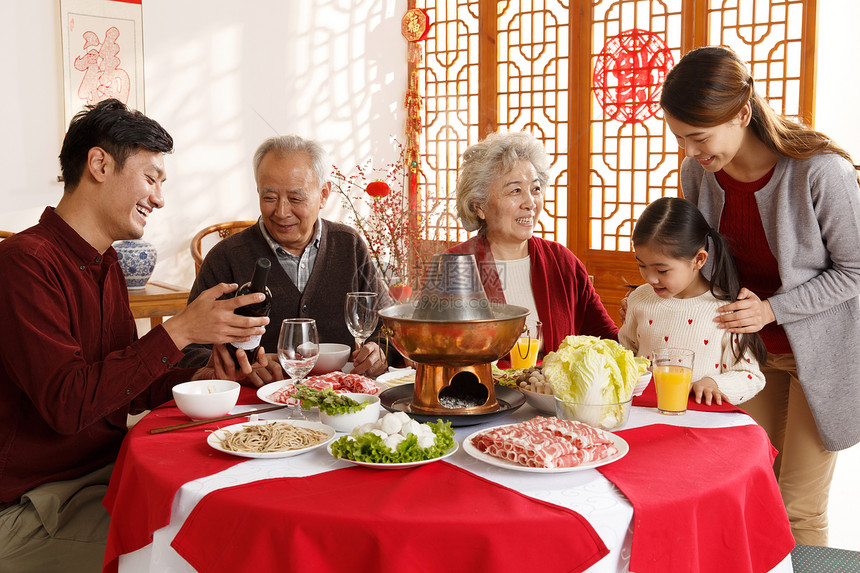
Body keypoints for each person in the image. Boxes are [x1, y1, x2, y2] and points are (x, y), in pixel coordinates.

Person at [0, 99, 270, 571]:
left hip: (104, 475)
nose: (160, 199)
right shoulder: (25, 264)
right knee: (210, 552)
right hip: (35, 505)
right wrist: (180, 330)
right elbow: (70, 404)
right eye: (151, 178)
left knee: (243, 507)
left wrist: (205, 373)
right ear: (99, 164)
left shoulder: (105, 264)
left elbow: (126, 385)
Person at [659, 45, 860, 545]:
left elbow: (855, 270)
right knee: (750, 487)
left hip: (824, 355)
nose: (692, 153)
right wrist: (658, 290)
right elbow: (701, 261)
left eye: (699, 138)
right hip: (749, 354)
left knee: (798, 507)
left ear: (743, 113)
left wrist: (773, 308)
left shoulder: (819, 171)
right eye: (682, 139)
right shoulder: (698, 175)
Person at [180, 135, 392, 379]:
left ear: (323, 194)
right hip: (256, 407)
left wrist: (378, 352)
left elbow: (387, 328)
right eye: (269, 198)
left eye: (295, 198)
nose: (281, 212)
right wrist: (236, 368)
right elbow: (189, 350)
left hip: (341, 400)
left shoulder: (348, 244)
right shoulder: (226, 257)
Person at [449, 131, 618, 353]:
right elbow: (431, 350)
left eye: (535, 189)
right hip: (480, 388)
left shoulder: (562, 261)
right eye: (515, 191)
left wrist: (639, 320)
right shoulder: (453, 267)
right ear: (479, 206)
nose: (530, 202)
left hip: (550, 389)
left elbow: (608, 340)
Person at [618, 197, 766, 405]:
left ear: (698, 259)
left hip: (702, 422)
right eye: (642, 265)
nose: (650, 278)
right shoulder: (639, 299)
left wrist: (714, 383)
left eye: (662, 270)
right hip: (647, 415)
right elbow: (625, 355)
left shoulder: (726, 310)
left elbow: (751, 376)